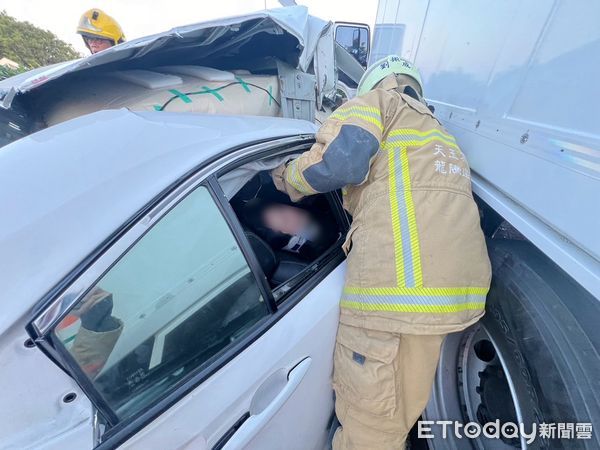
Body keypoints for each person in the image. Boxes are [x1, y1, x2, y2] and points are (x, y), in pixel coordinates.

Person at [271, 55, 492, 448]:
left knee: (368, 430)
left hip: (395, 297)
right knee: (396, 416)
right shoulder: (439, 134)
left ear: (373, 85)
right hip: (450, 294)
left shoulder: (379, 104)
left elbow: (339, 162)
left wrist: (286, 176)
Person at [242, 199, 337, 260]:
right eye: (280, 229)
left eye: (285, 219)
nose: (285, 230)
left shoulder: (331, 204)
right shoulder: (304, 253)